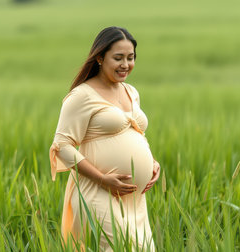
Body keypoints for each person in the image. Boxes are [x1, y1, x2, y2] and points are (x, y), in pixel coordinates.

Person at [49, 26, 160, 251]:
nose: (125, 64)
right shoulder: (81, 95)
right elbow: (62, 146)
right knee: (119, 247)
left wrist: (152, 163)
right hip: (98, 190)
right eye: (118, 58)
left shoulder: (131, 91)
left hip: (133, 199)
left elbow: (137, 133)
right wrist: (102, 179)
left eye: (130, 58)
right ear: (100, 58)